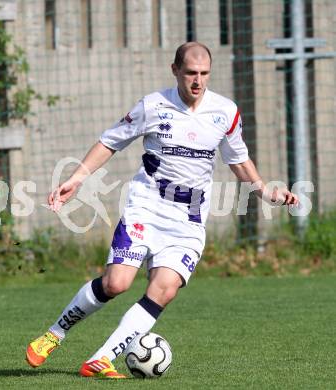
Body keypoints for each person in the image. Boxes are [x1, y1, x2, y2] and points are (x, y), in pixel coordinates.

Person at [25, 42, 298, 378]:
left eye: (204, 74)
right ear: (175, 71)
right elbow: (111, 140)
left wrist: (266, 191)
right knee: (116, 284)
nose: (197, 81)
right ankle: (55, 334)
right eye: (190, 73)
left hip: (188, 221)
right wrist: (77, 179)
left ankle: (101, 359)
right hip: (147, 207)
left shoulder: (225, 112)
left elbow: (237, 159)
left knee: (165, 288)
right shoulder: (153, 106)